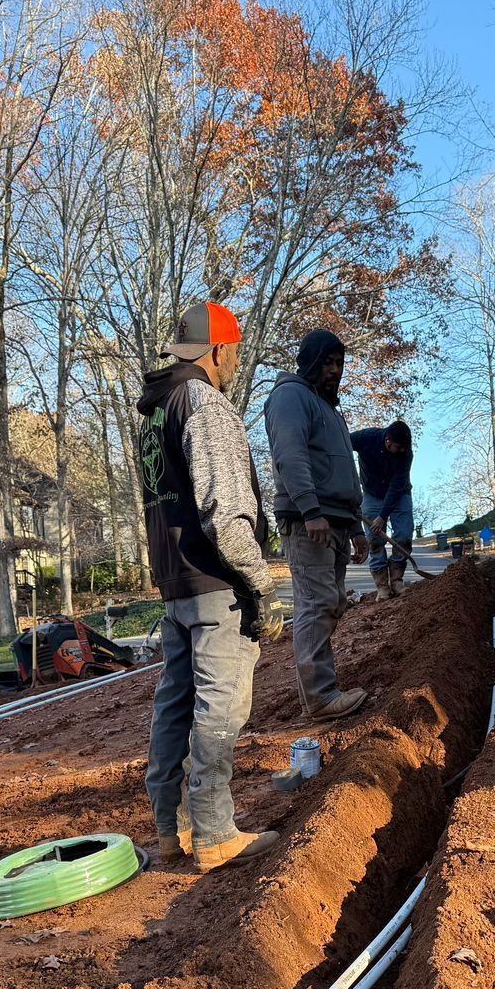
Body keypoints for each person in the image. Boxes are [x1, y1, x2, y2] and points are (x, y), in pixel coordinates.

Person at [136, 300, 283, 872]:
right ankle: (216, 832)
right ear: (219, 351)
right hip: (215, 579)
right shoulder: (205, 405)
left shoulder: (155, 409)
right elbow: (225, 512)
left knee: (175, 702)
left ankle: (170, 828)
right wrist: (258, 581)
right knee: (221, 703)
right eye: (235, 354)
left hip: (175, 583)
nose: (235, 365)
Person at [265, 329, 369, 719]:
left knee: (332, 602)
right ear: (310, 360)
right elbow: (290, 456)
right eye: (328, 362)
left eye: (340, 363)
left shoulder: (329, 409)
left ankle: (320, 686)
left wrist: (357, 525)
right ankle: (321, 697)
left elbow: (346, 472)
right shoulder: (290, 397)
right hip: (310, 520)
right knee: (316, 603)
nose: (335, 371)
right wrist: (310, 510)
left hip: (337, 520)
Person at [350, 418, 415, 598]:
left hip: (399, 494)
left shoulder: (406, 454)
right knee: (374, 540)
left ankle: (396, 581)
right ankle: (382, 586)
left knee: (403, 536)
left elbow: (396, 486)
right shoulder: (366, 437)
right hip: (371, 494)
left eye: (404, 448)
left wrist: (383, 515)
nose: (401, 451)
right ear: (388, 441)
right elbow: (341, 446)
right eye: (398, 447)